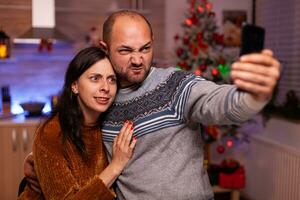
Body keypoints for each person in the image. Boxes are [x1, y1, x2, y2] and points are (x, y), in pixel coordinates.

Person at [23, 10, 280, 200]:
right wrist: (41, 163)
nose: (137, 60)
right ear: (105, 48)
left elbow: (224, 105)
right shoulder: (102, 103)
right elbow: (81, 151)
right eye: (125, 51)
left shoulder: (175, 85)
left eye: (145, 48)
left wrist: (255, 94)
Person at [18, 46, 137, 199]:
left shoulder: (110, 124)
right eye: (95, 78)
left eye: (111, 79)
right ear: (74, 86)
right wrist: (115, 166)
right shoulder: (52, 132)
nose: (105, 88)